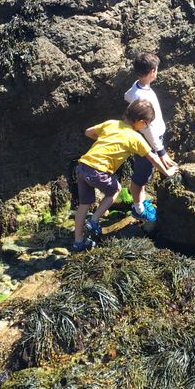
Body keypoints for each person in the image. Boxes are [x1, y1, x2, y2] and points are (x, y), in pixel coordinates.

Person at [72, 99, 178, 252]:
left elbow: (88, 132)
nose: (146, 127)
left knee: (83, 205)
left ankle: (78, 242)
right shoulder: (135, 137)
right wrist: (167, 172)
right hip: (98, 170)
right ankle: (94, 220)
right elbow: (153, 157)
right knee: (115, 190)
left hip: (82, 166)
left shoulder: (111, 123)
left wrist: (106, 140)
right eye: (147, 124)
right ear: (140, 122)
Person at [124, 52, 176, 224]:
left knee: (144, 175)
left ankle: (142, 201)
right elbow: (149, 130)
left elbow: (127, 95)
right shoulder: (142, 97)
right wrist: (161, 151)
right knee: (140, 176)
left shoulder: (138, 87)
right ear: (152, 71)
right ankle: (138, 210)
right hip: (149, 140)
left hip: (151, 137)